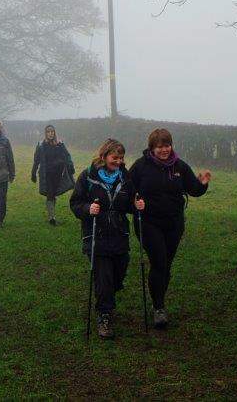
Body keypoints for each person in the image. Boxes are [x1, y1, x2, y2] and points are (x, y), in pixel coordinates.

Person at [129, 128, 211, 329]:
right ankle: (159, 308)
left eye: (167, 145)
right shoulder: (141, 167)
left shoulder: (180, 167)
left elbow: (193, 189)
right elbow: (127, 191)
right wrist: (134, 203)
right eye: (159, 146)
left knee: (166, 264)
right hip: (148, 222)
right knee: (158, 261)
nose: (164, 150)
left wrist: (203, 184)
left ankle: (159, 300)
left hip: (174, 223)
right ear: (152, 148)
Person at [70, 138, 136, 340]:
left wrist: (137, 205)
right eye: (115, 157)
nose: (119, 161)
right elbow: (75, 203)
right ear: (104, 156)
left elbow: (129, 203)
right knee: (104, 278)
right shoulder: (88, 176)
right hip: (96, 235)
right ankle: (104, 316)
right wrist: (88, 209)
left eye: (121, 158)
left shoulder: (125, 177)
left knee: (118, 274)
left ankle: (106, 295)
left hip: (119, 235)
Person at [31, 125, 75, 226]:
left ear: (55, 133)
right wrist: (33, 173)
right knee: (50, 194)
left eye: (52, 132)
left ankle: (52, 215)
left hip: (59, 174)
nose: (50, 134)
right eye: (48, 132)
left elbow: (67, 156)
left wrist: (70, 167)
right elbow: (36, 160)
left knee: (54, 194)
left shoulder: (60, 144)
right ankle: (51, 218)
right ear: (45, 133)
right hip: (47, 174)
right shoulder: (41, 145)